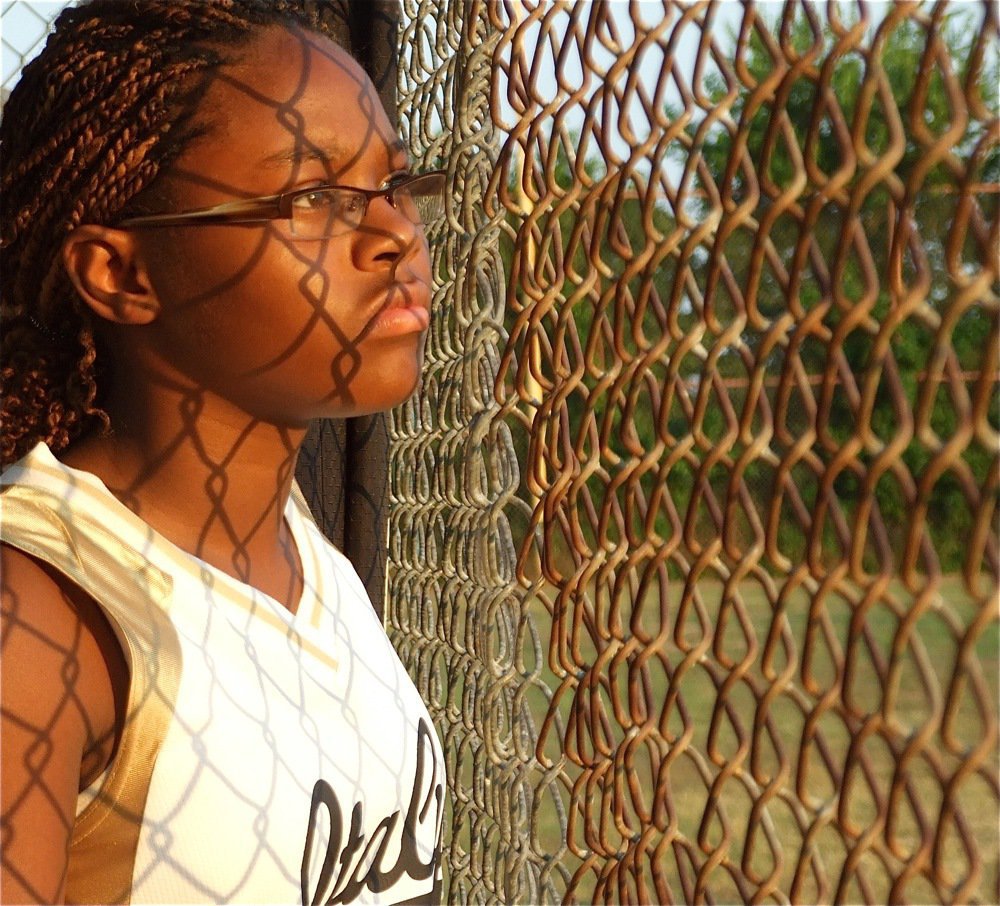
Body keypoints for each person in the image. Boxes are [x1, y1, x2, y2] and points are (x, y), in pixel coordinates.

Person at [0, 1, 447, 903]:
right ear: (122, 275)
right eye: (314, 197)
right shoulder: (46, 616)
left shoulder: (302, 553)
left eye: (394, 183)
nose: (395, 233)